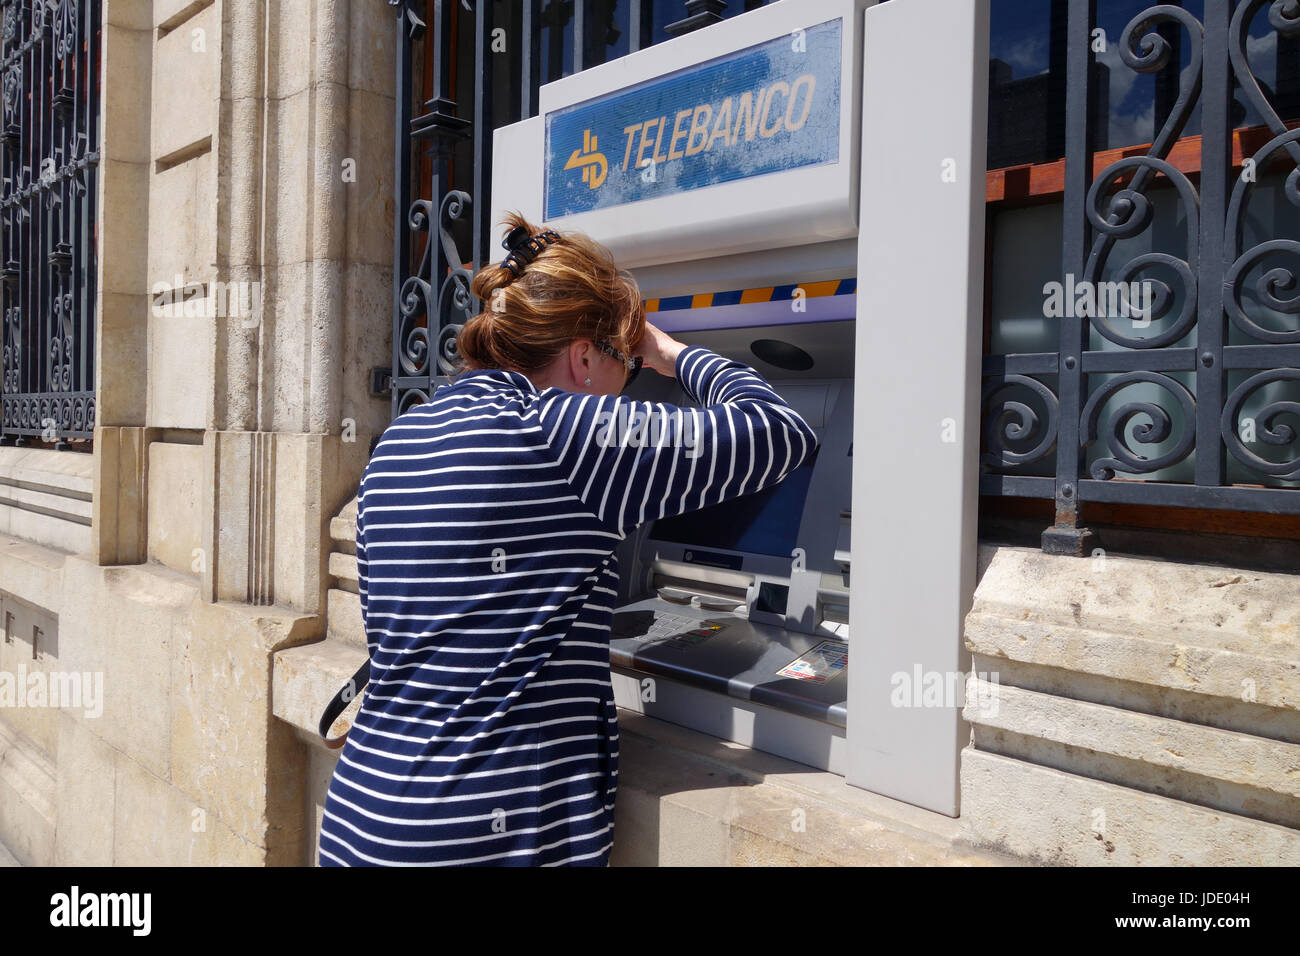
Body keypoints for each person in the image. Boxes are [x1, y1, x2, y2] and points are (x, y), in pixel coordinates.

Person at [318, 211, 819, 866]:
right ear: (585, 358)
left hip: (366, 814)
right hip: (475, 837)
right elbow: (782, 432)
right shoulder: (567, 434)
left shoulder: (403, 440)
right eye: (627, 367)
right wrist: (671, 353)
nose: (631, 388)